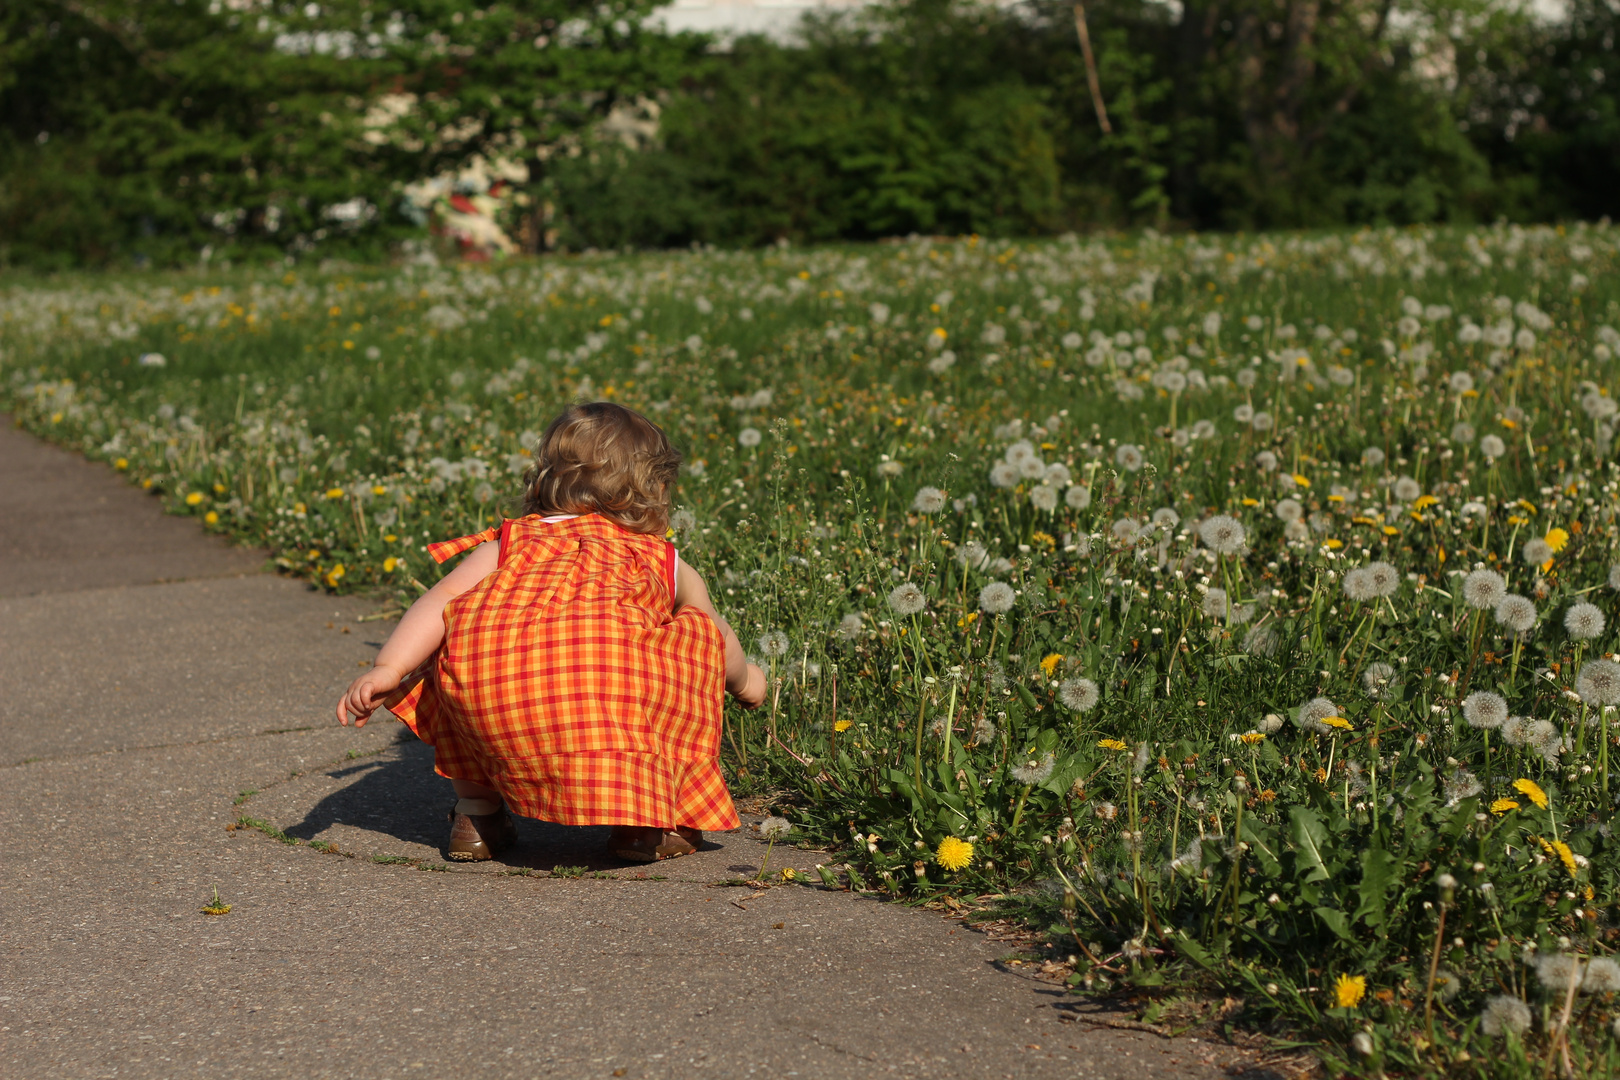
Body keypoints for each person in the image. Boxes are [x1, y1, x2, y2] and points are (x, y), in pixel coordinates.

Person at [336, 401, 766, 862]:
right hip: (606, 711)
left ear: (545, 477)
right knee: (677, 647)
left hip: (499, 705)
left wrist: (388, 667)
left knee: (461, 654)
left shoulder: (509, 543)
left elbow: (439, 603)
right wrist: (745, 682)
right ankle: (647, 824)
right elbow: (713, 635)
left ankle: (476, 815)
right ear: (656, 488)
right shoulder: (661, 559)